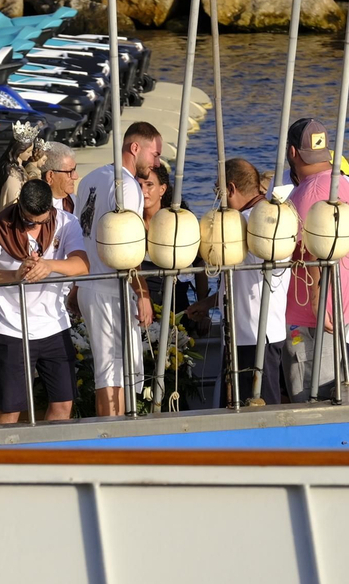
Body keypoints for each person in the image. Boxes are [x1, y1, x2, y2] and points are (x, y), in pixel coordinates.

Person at [0, 180, 89, 424]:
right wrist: (15, 275)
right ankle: (3, 450)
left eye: (41, 221)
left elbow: (83, 265)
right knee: (10, 409)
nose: (35, 226)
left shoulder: (66, 222)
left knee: (63, 403)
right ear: (19, 206)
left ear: (51, 210)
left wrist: (49, 266)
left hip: (54, 326)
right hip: (11, 329)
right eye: (28, 221)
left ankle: (50, 448)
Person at [74, 120, 162, 417]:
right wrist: (143, 293)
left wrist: (75, 286)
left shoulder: (90, 179)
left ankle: (116, 429)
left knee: (113, 369)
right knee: (112, 374)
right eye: (154, 154)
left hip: (89, 283)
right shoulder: (128, 187)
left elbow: (79, 234)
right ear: (135, 148)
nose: (156, 163)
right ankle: (111, 434)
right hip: (110, 287)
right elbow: (129, 248)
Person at [284, 118, 349, 403]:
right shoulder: (345, 184)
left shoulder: (306, 194)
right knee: (336, 397)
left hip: (314, 318)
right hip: (344, 307)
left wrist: (318, 301)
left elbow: (313, 251)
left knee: (311, 404)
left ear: (292, 152)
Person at [222, 158, 290, 405]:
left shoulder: (246, 223)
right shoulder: (272, 215)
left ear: (231, 189)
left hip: (252, 334)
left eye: (218, 191)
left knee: (256, 410)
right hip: (263, 329)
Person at [139, 163, 211, 337]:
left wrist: (204, 310)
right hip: (139, 302)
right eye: (139, 185)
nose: (143, 191)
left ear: (162, 189)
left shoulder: (179, 222)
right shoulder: (128, 222)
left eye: (149, 185)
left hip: (175, 301)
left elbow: (199, 264)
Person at [43, 143, 80, 213]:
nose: (75, 177)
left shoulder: (74, 201)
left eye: (74, 170)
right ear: (50, 176)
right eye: (70, 172)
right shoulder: (40, 211)